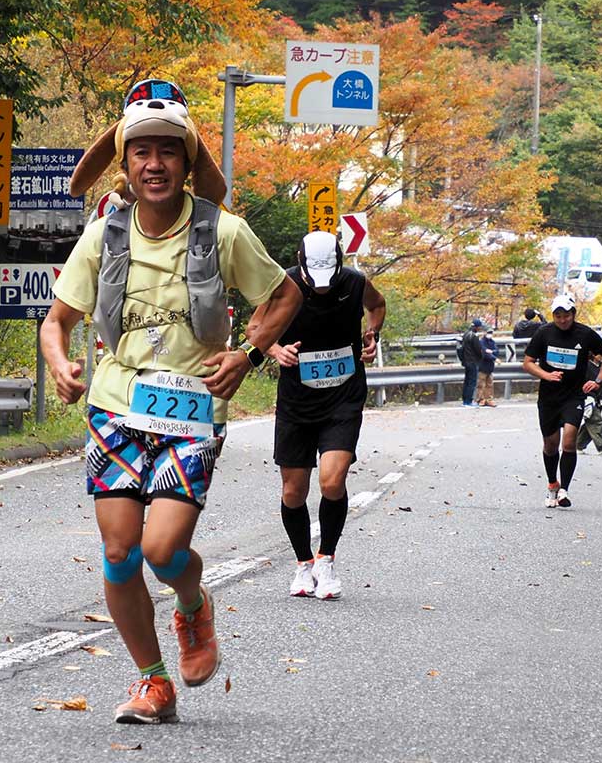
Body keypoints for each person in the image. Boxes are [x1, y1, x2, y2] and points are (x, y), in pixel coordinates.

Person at [41, 79, 303, 724]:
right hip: (115, 405)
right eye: (140, 152)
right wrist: (59, 366)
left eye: (167, 151)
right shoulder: (104, 235)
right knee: (119, 552)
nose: (153, 163)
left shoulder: (225, 232)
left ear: (186, 164)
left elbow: (285, 295)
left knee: (162, 552)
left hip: (190, 408)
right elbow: (57, 321)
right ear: (126, 165)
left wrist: (248, 351)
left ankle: (191, 602)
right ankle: (152, 683)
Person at [257, 231, 386, 601]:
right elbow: (255, 329)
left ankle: (326, 558)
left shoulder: (356, 283)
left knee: (332, 482)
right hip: (297, 400)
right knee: (293, 492)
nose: (323, 288)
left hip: (343, 395)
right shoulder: (284, 284)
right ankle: (303, 565)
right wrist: (276, 350)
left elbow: (377, 306)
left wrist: (372, 333)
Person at [522, 294, 602, 508]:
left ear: (573, 314)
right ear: (553, 315)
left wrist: (597, 380)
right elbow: (528, 362)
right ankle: (553, 484)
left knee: (569, 440)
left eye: (566, 316)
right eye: (558, 316)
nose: (562, 320)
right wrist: (546, 375)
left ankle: (564, 491)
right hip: (549, 397)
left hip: (574, 395)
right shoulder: (544, 333)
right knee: (550, 444)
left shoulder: (585, 334)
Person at [460, 318, 484, 407]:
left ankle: (464, 400)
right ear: (477, 327)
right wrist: (481, 357)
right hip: (473, 361)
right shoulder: (474, 336)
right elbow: (478, 350)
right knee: (472, 382)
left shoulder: (466, 334)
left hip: (466, 361)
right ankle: (469, 401)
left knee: (467, 381)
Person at [478, 328, 498, 407]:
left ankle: (489, 399)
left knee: (489, 384)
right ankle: (481, 399)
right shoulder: (481, 342)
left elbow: (496, 351)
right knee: (481, 384)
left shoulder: (492, 342)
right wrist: (493, 357)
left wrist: (491, 352)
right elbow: (484, 353)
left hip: (490, 366)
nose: (490, 334)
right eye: (488, 332)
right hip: (482, 366)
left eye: (491, 332)